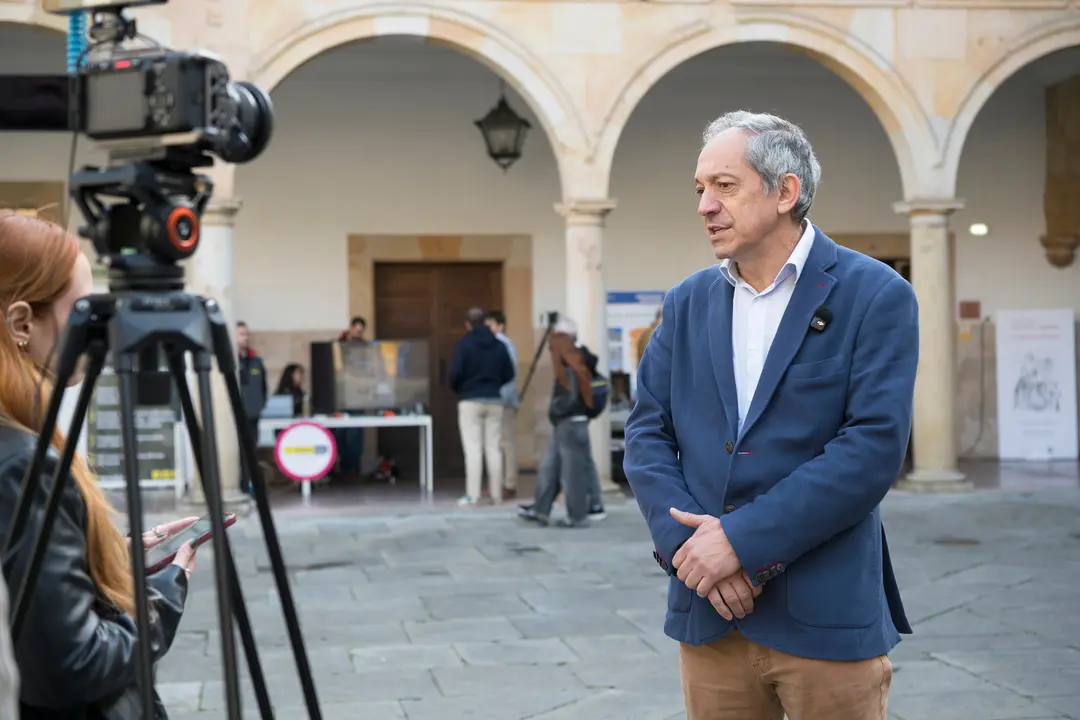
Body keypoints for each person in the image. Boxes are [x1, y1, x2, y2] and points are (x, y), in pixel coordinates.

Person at [623, 111, 916, 720]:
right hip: (710, 615)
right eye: (700, 189)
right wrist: (692, 553)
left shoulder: (875, 294)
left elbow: (871, 450)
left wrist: (739, 543)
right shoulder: (686, 303)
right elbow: (647, 433)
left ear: (786, 192)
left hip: (825, 621)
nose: (705, 205)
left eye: (724, 186)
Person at [0, 210, 200, 719]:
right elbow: (72, 664)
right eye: (84, 308)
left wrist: (104, 560)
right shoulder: (23, 463)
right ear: (22, 322)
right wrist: (160, 599)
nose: (102, 328)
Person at [524, 316, 594, 527]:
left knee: (572, 473)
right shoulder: (569, 361)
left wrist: (555, 410)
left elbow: (572, 397)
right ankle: (541, 509)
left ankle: (577, 516)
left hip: (570, 423)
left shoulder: (571, 363)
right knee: (549, 466)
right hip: (565, 423)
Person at [448, 307, 514, 506]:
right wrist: (494, 386)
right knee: (494, 447)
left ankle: (473, 495)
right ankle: (496, 495)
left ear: (467, 324)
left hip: (470, 400)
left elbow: (454, 374)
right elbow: (509, 373)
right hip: (495, 400)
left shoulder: (463, 345)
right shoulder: (499, 345)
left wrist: (462, 389)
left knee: (473, 449)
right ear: (486, 322)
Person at [484, 311, 520, 499]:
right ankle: (497, 484)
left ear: (500, 326)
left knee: (506, 443)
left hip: (504, 401)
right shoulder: (493, 345)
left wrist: (502, 397)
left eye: (490, 325)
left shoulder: (505, 345)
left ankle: (509, 483)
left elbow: (510, 375)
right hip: (495, 399)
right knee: (495, 444)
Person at [236, 321, 267, 493]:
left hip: (252, 417)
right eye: (241, 334)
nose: (245, 337)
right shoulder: (230, 362)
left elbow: (263, 387)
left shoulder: (255, 361)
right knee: (236, 455)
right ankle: (237, 487)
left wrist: (259, 406)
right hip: (234, 418)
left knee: (251, 453)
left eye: (247, 334)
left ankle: (249, 486)